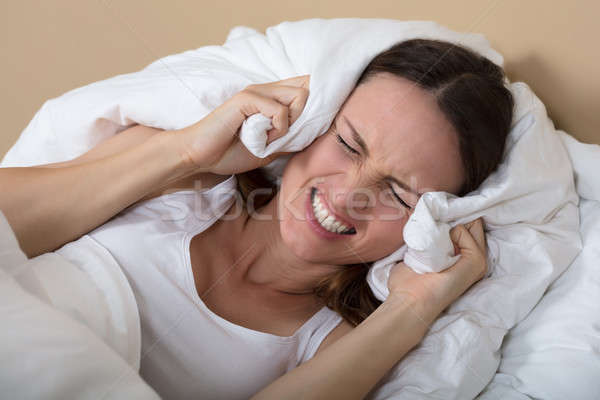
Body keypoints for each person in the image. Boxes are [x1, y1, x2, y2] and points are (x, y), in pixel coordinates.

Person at [0, 39, 513, 399]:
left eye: (399, 193)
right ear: (314, 123)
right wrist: (182, 154)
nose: (346, 194)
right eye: (348, 144)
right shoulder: (178, 179)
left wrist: (414, 306)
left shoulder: (333, 345)